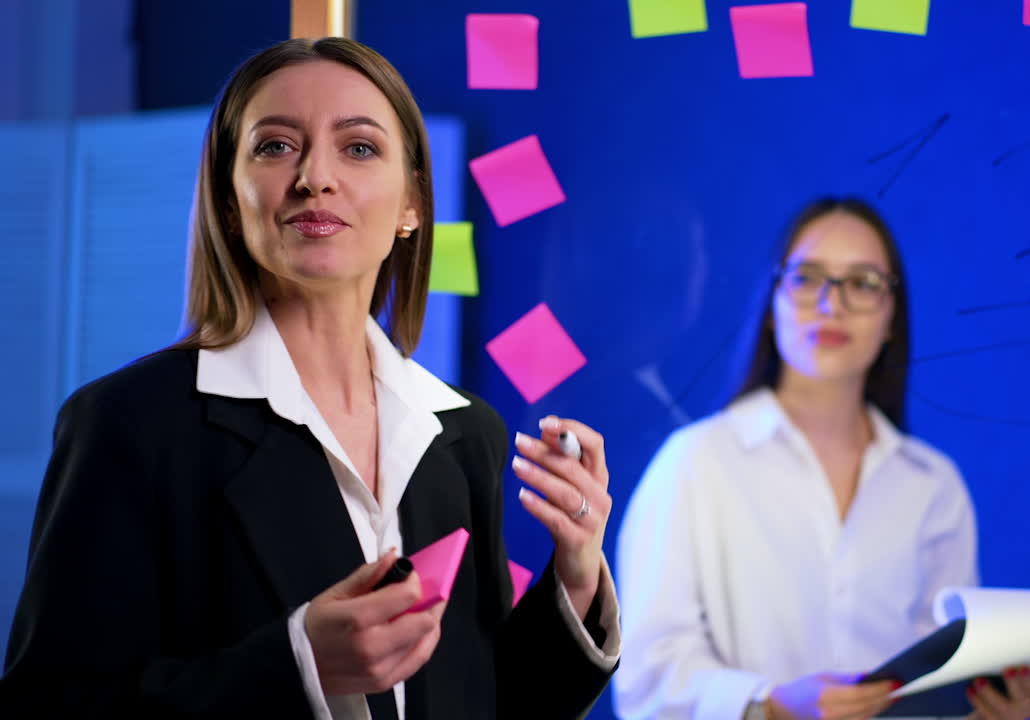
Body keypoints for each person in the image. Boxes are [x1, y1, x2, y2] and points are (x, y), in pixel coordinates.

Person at [1, 37, 618, 719]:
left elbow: (490, 701)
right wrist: (299, 664)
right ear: (229, 202)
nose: (315, 177)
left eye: (358, 148)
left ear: (412, 204)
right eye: (275, 147)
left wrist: (578, 569)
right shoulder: (128, 426)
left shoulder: (465, 434)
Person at [613, 198, 1030, 720]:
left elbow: (939, 678)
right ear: (773, 304)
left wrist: (983, 710)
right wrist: (770, 705)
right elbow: (645, 679)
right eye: (807, 278)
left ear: (891, 318)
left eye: (862, 283)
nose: (830, 304)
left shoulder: (932, 485)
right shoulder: (696, 463)